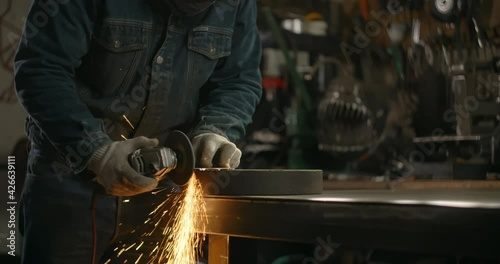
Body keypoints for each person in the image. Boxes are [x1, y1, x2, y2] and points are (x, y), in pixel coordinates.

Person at [14, 0, 262, 263]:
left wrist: (216, 130)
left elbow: (238, 80)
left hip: (162, 191)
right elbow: (41, 68)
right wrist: (96, 151)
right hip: (70, 182)